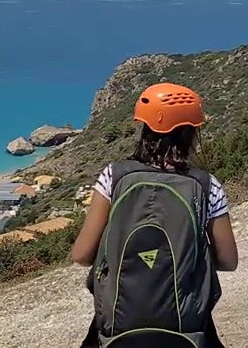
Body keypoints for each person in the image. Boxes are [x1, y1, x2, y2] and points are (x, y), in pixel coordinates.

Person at [71, 82, 238, 348]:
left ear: (145, 127)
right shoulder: (207, 186)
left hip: (118, 323)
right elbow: (228, 261)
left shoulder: (114, 176)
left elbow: (81, 255)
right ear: (191, 132)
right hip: (186, 326)